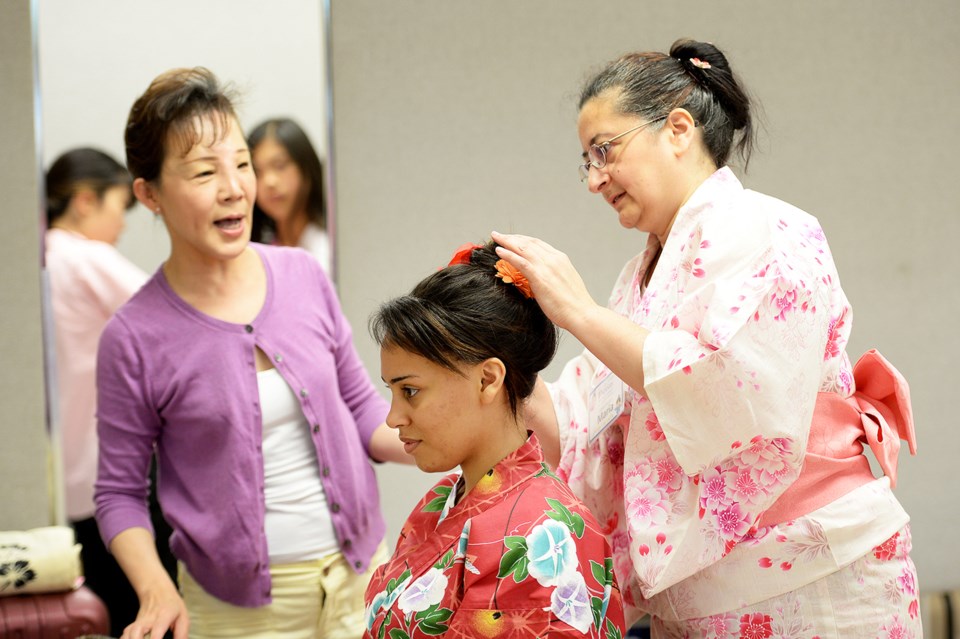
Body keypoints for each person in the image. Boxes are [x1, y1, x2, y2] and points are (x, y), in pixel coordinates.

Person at [492, 39, 920, 638]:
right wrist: (496, 359)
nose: (594, 179)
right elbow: (581, 418)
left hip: (813, 561)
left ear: (677, 129)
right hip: (700, 594)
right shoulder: (635, 279)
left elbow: (723, 385)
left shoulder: (768, 228)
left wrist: (579, 312)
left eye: (604, 151)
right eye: (585, 161)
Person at [94, 67, 408, 639]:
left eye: (241, 163)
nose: (235, 187)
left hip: (363, 580)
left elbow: (363, 409)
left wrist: (454, 438)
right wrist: (155, 587)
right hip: (235, 615)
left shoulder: (303, 274)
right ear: (150, 194)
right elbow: (118, 493)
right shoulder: (134, 336)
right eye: (204, 172)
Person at [365, 241, 627, 638]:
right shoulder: (440, 501)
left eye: (411, 391)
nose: (393, 417)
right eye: (392, 392)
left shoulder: (543, 536)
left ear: (488, 380)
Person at [45, 147, 174, 636]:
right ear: (84, 201)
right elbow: (173, 316)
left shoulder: (38, 261)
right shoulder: (83, 256)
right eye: (119, 207)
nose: (121, 225)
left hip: (73, 479)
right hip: (122, 474)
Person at [248, 117, 331, 274]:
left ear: (305, 168)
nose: (269, 181)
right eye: (257, 172)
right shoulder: (255, 252)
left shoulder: (326, 248)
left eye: (280, 166)